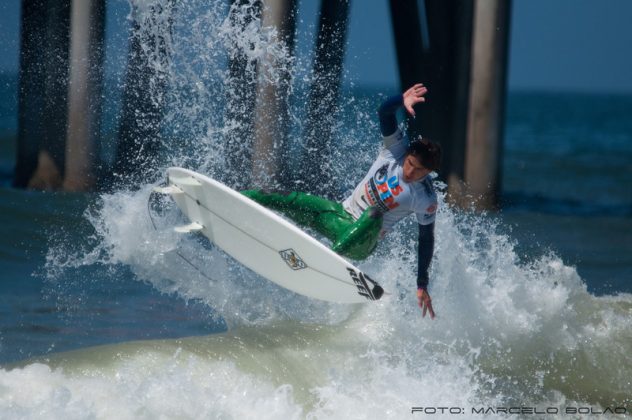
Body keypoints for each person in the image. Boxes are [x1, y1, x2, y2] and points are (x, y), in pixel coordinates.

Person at [242, 83, 440, 318]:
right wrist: (401, 99)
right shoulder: (395, 150)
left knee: (374, 213)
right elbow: (384, 112)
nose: (409, 172)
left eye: (418, 171)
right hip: (337, 215)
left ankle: (323, 261)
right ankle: (237, 198)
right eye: (409, 164)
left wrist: (422, 285)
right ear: (407, 155)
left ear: (428, 173)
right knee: (284, 197)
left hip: (362, 241)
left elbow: (426, 239)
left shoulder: (425, 198)